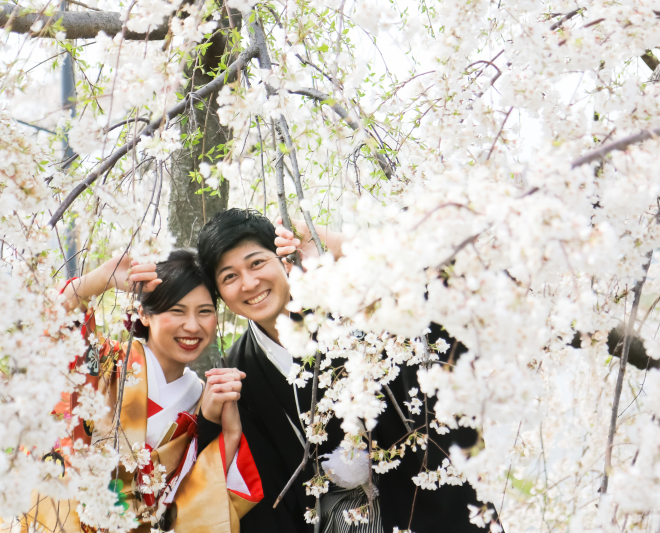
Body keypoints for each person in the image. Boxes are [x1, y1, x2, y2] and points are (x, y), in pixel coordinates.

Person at [194, 208, 483, 533]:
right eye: (229, 277)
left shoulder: (352, 307)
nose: (249, 283)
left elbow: (433, 281)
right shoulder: (237, 371)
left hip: (412, 500)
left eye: (257, 263)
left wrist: (330, 244)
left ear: (283, 259)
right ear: (219, 293)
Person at [14, 250, 262, 533]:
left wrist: (227, 433)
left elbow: (201, 502)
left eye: (204, 312)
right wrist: (96, 280)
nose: (192, 326)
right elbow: (51, 329)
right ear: (143, 313)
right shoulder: (108, 363)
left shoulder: (203, 401)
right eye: (177, 310)